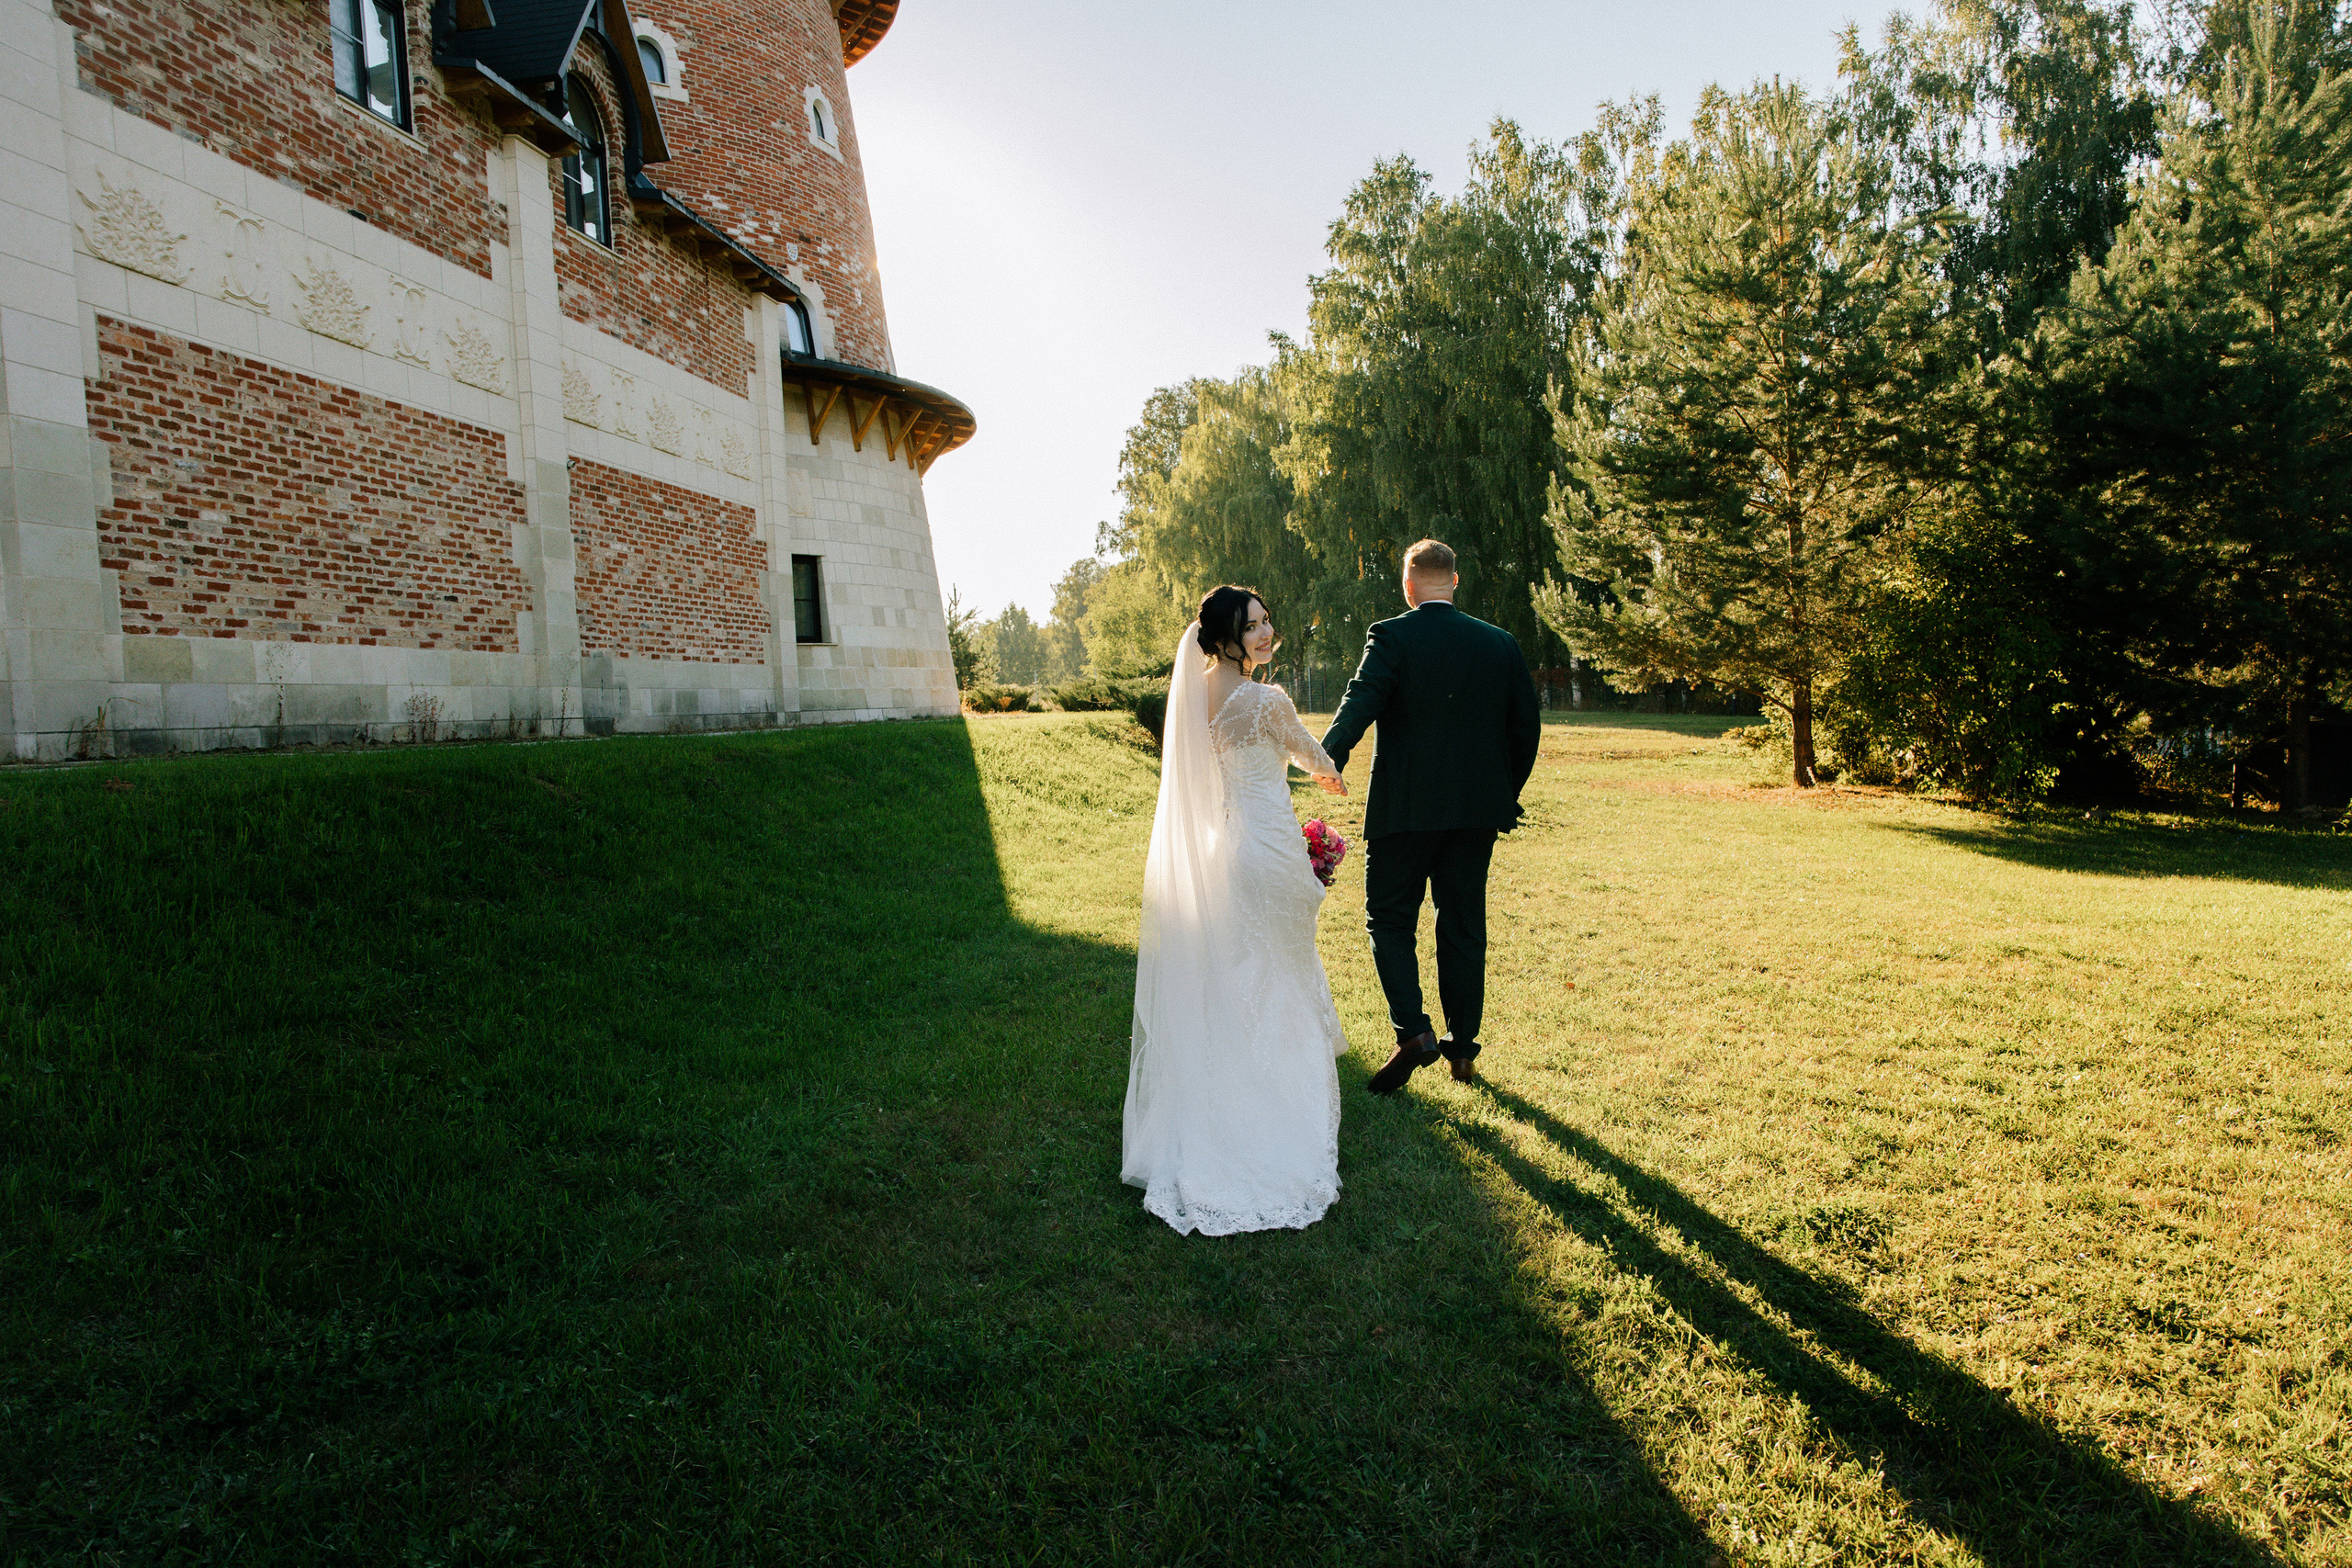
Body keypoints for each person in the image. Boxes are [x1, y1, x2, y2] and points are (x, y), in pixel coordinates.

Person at [1122, 585, 1352, 1235]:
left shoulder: (1191, 696)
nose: (1264, 632)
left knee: (1237, 977)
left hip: (1227, 854)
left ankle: (1217, 1106)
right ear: (1224, 636)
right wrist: (1332, 772)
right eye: (1251, 626)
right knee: (1278, 976)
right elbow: (1310, 755)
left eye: (1265, 621)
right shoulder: (1266, 699)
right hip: (1271, 852)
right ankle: (1277, 1113)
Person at [1320, 539, 1541, 1095]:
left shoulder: (1392, 635)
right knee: (1463, 924)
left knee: (1390, 920)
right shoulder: (1500, 644)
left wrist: (1331, 756)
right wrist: (1498, 793)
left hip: (1404, 811)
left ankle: (1415, 1034)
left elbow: (1361, 699)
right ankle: (1463, 1050)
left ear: (1408, 586)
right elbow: (1525, 730)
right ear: (1455, 582)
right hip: (1475, 815)